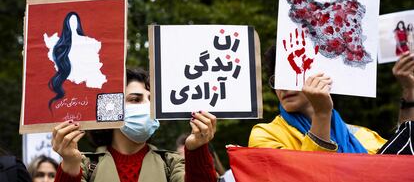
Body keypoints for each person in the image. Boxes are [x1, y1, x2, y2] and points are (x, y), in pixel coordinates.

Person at [52, 68, 217, 182]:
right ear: (111, 107)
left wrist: (197, 150)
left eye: (151, 101)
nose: (147, 106)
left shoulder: (172, 163)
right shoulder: (85, 167)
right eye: (135, 99)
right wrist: (70, 164)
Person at [249, 45, 388, 153]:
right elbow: (311, 175)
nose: (283, 87)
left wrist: (409, 94)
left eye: (293, 75)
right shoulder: (265, 136)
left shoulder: (364, 136)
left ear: (323, 77)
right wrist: (321, 114)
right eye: (278, 80)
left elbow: (401, 165)